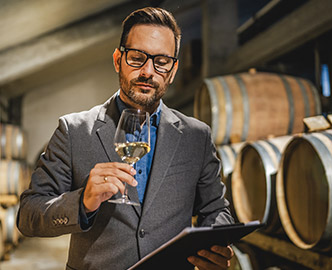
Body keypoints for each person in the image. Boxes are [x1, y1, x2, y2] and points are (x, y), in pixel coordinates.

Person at [17, 7, 234, 270]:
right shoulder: (73, 130)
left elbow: (217, 210)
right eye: (137, 57)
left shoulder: (196, 136)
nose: (148, 71)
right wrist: (82, 202)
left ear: (173, 70)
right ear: (118, 59)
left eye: (161, 61)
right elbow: (29, 215)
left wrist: (216, 242)